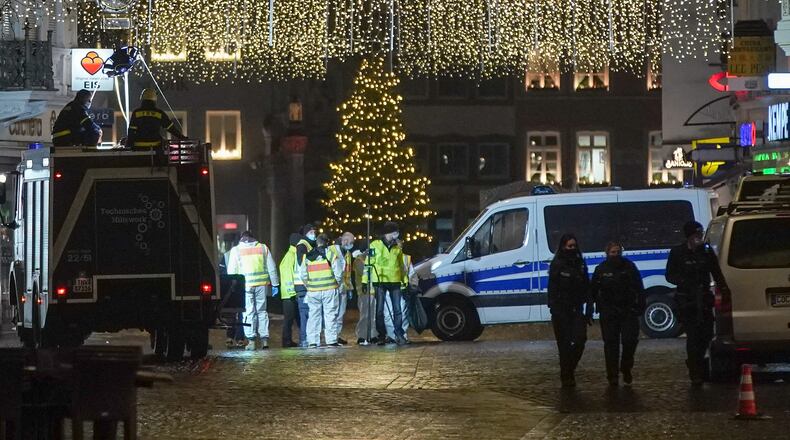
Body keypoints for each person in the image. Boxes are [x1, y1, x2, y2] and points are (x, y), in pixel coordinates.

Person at [666, 221, 729, 386]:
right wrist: (683, 280)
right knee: (693, 336)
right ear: (689, 236)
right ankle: (695, 371)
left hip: (704, 298)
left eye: (700, 235)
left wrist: (724, 289)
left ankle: (697, 361)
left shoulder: (706, 252)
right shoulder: (677, 252)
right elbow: (669, 275)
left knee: (707, 334)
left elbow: (716, 271)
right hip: (687, 300)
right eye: (696, 235)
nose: (698, 238)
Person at [591, 241, 644, 386]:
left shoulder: (629, 267)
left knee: (630, 341)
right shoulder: (601, 269)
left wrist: (640, 305)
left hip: (628, 310)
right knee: (611, 344)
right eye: (613, 252)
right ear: (607, 253)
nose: (616, 255)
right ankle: (612, 375)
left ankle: (626, 367)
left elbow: (639, 287)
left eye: (618, 252)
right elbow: (593, 290)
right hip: (609, 311)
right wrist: (592, 308)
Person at [548, 233, 592, 388]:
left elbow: (587, 285)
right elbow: (552, 288)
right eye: (569, 246)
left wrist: (589, 308)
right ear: (563, 247)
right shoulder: (558, 264)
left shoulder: (580, 263)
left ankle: (568, 370)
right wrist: (554, 308)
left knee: (580, 340)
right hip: (561, 310)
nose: (572, 249)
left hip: (577, 308)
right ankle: (567, 376)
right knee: (564, 345)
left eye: (574, 246)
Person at [227, 231, 279, 350]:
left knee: (249, 312)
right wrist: (275, 284)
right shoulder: (263, 248)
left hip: (245, 286)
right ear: (253, 237)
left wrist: (232, 288)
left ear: (241, 238)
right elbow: (272, 267)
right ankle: (265, 340)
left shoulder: (236, 250)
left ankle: (251, 341)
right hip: (261, 285)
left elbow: (231, 271)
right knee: (262, 311)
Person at [365, 222, 408, 346]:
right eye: (395, 232)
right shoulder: (375, 245)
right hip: (380, 281)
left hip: (395, 281)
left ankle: (399, 334)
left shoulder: (397, 248)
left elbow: (401, 266)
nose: (397, 234)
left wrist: (404, 281)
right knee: (379, 310)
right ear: (389, 232)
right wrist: (364, 280)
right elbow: (368, 263)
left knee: (397, 310)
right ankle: (381, 335)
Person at [300, 234, 344, 348]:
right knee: (330, 315)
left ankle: (313, 341)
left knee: (313, 315)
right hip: (329, 289)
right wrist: (336, 284)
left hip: (313, 291)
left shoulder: (307, 256)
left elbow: (303, 275)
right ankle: (331, 340)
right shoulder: (331, 254)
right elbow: (339, 273)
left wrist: (309, 286)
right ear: (327, 243)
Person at [330, 232, 357, 345]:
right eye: (351, 242)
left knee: (340, 314)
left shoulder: (347, 254)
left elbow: (348, 272)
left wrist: (349, 288)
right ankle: (331, 337)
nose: (352, 245)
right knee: (332, 313)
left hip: (343, 288)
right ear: (345, 241)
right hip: (332, 287)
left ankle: (337, 335)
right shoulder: (331, 250)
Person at [384, 239, 412, 342]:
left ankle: (401, 335)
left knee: (402, 314)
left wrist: (410, 287)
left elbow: (411, 274)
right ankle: (392, 336)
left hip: (401, 289)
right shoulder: (385, 257)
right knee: (388, 314)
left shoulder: (406, 258)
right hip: (389, 289)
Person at [293, 224, 316, 347]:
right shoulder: (302, 245)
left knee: (308, 313)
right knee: (305, 314)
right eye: (311, 232)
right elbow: (302, 265)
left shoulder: (308, 245)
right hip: (303, 285)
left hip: (305, 284)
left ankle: (307, 338)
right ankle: (304, 339)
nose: (314, 234)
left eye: (314, 231)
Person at [278, 233, 302, 348]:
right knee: (289, 319)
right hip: (290, 295)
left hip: (290, 294)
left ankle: (292, 340)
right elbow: (288, 276)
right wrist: (292, 292)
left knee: (294, 318)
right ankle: (286, 341)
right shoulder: (291, 256)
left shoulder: (291, 254)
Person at [355, 246, 378, 345]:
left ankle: (373, 335)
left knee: (373, 316)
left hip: (373, 291)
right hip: (363, 292)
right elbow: (364, 271)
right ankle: (362, 336)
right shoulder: (358, 260)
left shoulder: (373, 260)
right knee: (364, 315)